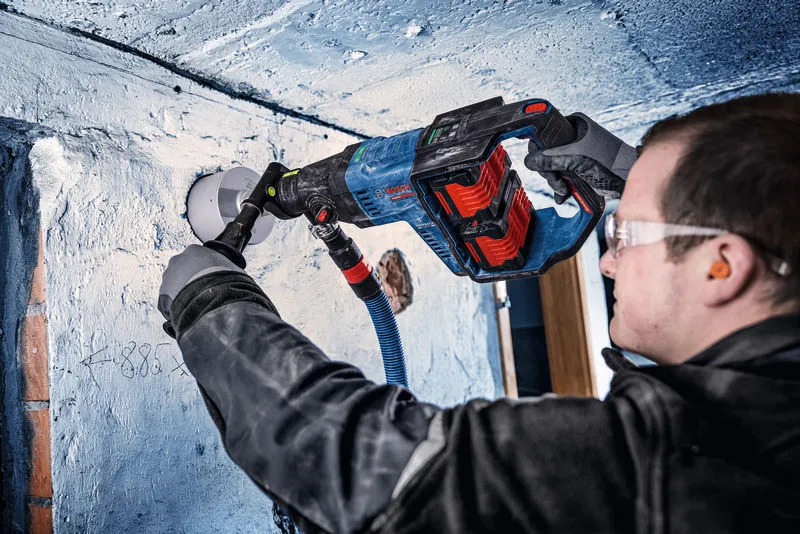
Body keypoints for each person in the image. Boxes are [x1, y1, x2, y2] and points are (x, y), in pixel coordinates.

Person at [158, 93, 800, 533]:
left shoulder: (660, 473)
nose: (606, 263)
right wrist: (631, 179)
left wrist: (209, 299)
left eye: (623, 234)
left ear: (722, 266)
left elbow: (347, 458)